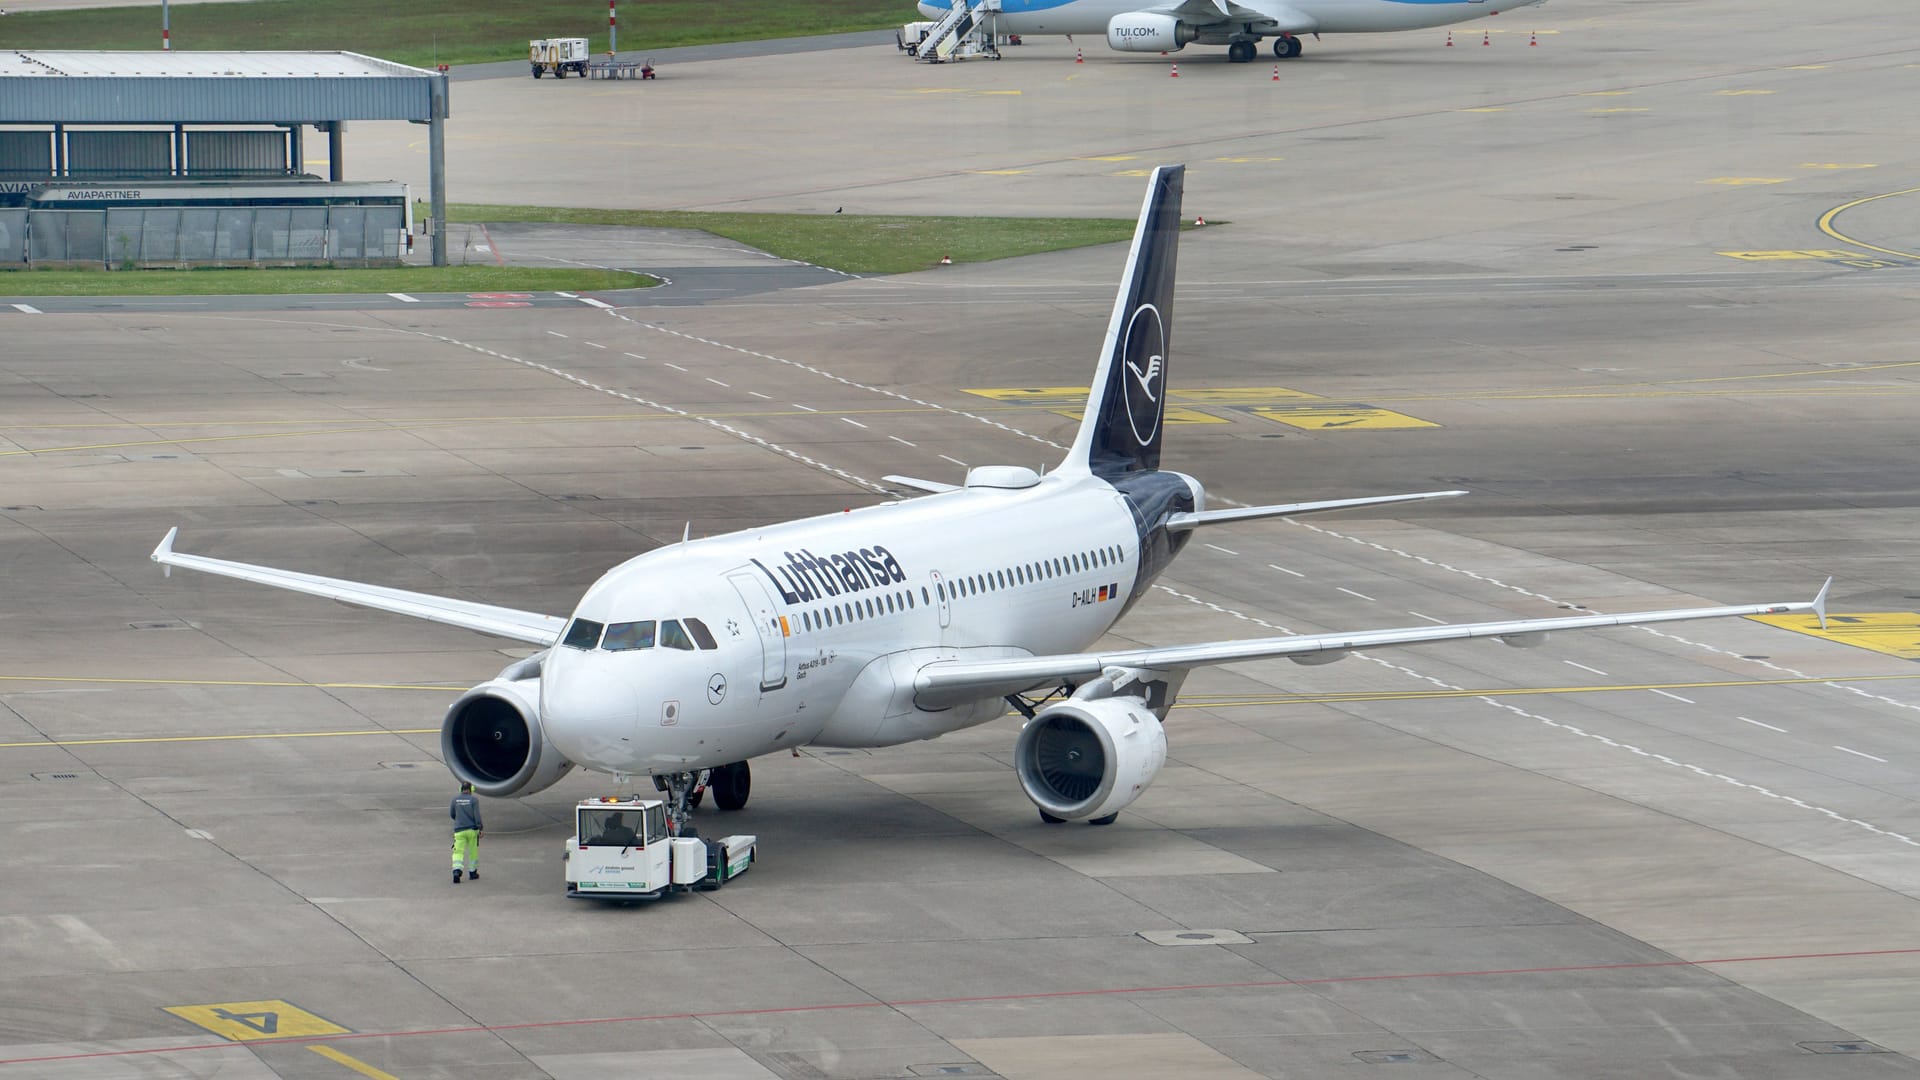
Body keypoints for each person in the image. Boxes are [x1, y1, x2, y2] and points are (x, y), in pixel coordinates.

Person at [450, 782, 483, 883]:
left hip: (459, 831)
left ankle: (457, 871)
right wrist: (480, 828)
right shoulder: (474, 800)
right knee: (473, 852)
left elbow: (452, 814)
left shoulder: (455, 800)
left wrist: (459, 820)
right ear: (471, 789)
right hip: (472, 830)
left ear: (460, 789)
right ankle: (472, 873)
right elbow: (477, 816)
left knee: (458, 852)